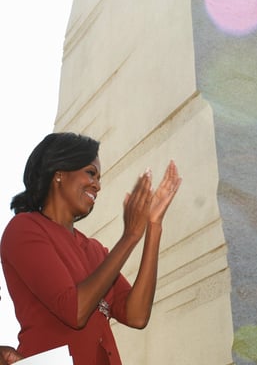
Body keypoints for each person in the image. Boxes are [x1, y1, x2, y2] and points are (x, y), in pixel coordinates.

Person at [0, 132, 181, 365]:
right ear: (59, 174)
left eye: (98, 177)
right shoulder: (24, 229)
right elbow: (74, 311)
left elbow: (136, 315)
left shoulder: (94, 250)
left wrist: (153, 227)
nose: (97, 185)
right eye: (90, 173)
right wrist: (130, 236)